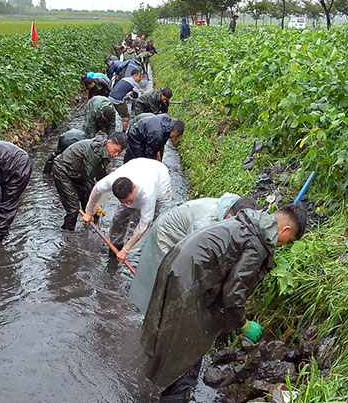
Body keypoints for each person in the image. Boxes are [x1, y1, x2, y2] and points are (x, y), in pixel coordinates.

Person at [142, 204, 308, 402]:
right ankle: (174, 396)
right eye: (285, 242)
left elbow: (226, 275)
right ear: (285, 229)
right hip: (188, 281)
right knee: (187, 353)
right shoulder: (258, 242)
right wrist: (242, 324)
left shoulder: (249, 221)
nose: (280, 245)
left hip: (178, 268)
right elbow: (234, 290)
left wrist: (225, 323)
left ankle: (164, 386)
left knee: (178, 340)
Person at [127, 194, 257, 313]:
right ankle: (151, 314)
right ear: (229, 217)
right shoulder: (206, 223)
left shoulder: (234, 209)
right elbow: (193, 255)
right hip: (166, 234)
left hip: (185, 227)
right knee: (164, 280)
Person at [81, 158, 171, 260]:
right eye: (124, 201)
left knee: (158, 224)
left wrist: (126, 250)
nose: (128, 203)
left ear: (134, 187)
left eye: (129, 200)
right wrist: (89, 212)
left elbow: (145, 224)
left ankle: (153, 257)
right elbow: (97, 190)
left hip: (160, 182)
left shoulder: (148, 193)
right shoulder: (112, 181)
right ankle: (115, 248)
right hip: (136, 165)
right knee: (119, 219)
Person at [53, 132, 128, 231]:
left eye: (119, 152)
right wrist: (95, 204)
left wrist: (96, 205)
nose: (116, 154)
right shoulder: (95, 153)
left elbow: (101, 175)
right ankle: (68, 233)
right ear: (109, 142)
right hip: (63, 171)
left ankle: (92, 228)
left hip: (79, 172)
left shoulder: (105, 151)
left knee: (90, 203)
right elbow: (90, 178)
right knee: (73, 210)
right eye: (116, 150)